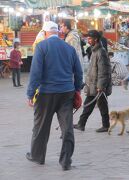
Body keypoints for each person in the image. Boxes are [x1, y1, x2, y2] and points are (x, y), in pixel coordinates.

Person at [26, 21, 83, 171]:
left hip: (46, 94)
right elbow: (79, 71)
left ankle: (37, 156)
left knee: (41, 126)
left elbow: (35, 73)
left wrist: (30, 94)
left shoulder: (41, 47)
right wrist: (77, 89)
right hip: (66, 93)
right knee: (67, 128)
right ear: (58, 33)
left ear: (45, 33)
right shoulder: (69, 48)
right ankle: (66, 161)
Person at [74, 30, 112, 133]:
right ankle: (82, 124)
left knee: (100, 105)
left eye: (90, 39)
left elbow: (104, 71)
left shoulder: (101, 52)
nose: (88, 40)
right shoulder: (94, 51)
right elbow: (92, 69)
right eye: (87, 38)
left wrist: (101, 86)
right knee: (90, 104)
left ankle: (104, 125)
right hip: (93, 84)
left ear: (96, 39)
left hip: (98, 85)